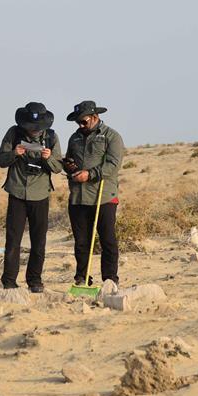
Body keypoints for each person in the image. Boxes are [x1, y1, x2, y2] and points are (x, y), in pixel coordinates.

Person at [0, 102, 62, 292]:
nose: (33, 131)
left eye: (37, 128)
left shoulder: (51, 137)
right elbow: (1, 160)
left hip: (40, 194)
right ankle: (9, 281)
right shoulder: (13, 133)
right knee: (13, 240)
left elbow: (58, 168)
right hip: (16, 192)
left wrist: (48, 157)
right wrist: (14, 153)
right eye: (30, 128)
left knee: (38, 241)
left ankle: (35, 281)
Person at [63, 100, 124, 286]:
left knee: (108, 241)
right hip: (78, 198)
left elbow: (113, 165)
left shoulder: (111, 137)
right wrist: (69, 166)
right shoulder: (74, 138)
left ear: (95, 117)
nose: (80, 125)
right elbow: (70, 160)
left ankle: (110, 279)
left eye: (83, 121)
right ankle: (82, 277)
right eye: (78, 122)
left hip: (103, 196)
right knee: (81, 242)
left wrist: (90, 175)